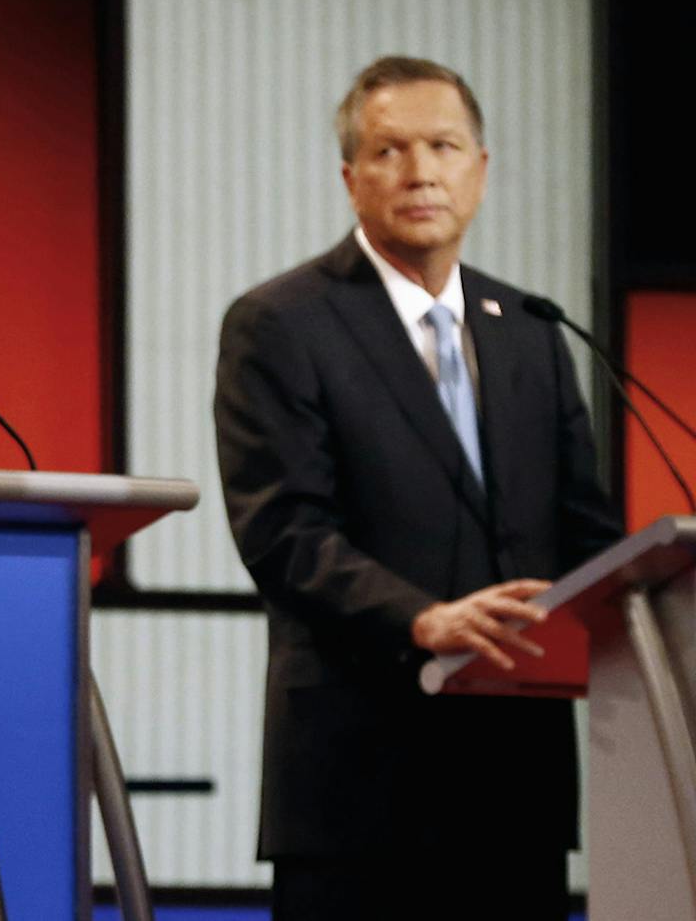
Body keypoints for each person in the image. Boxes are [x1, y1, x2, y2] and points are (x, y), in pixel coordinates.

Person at [213, 55, 623, 921]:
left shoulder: (532, 333)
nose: (421, 171)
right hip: (360, 784)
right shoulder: (282, 323)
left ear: (481, 169)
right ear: (351, 178)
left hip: (515, 784)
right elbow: (283, 531)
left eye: (443, 146)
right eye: (390, 151)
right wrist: (421, 619)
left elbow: (585, 533)